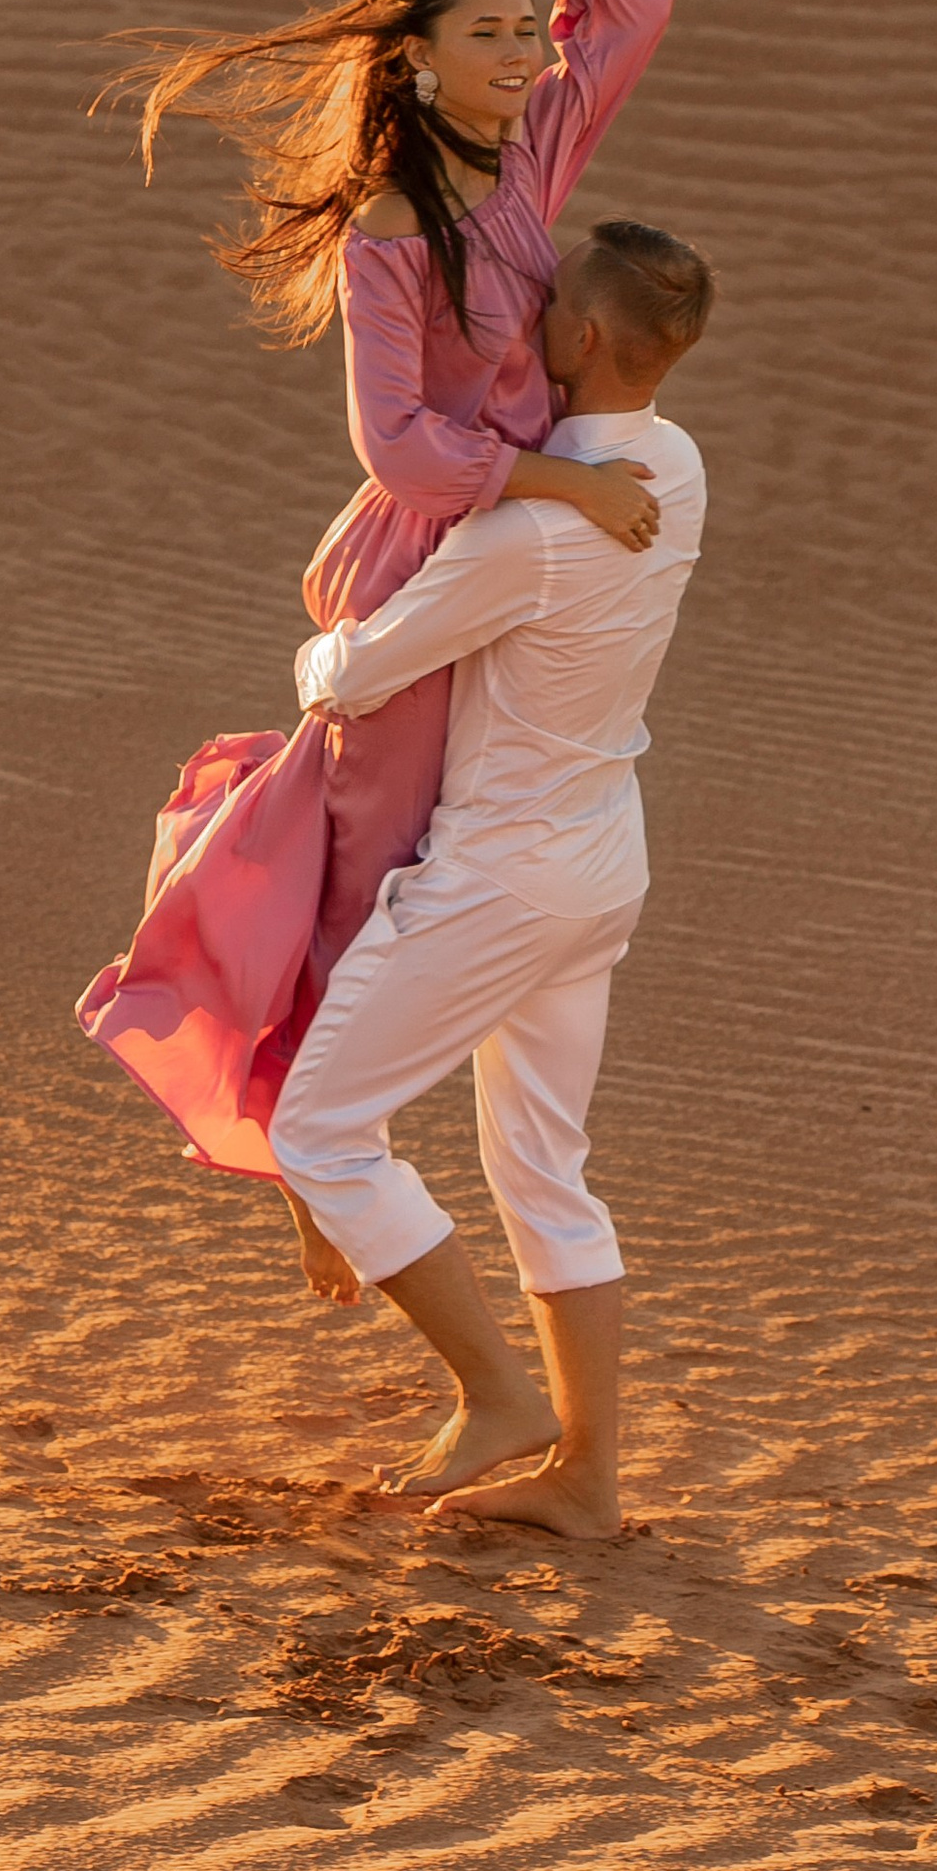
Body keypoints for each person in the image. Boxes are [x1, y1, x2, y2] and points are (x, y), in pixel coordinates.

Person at [80, 0, 675, 1243]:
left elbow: (635, 4)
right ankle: (306, 1146)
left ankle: (349, 1146)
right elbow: (400, 447)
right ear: (414, 62)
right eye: (488, 32)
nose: (524, 50)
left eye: (528, 28)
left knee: (480, 845)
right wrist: (561, 485)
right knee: (365, 884)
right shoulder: (394, 226)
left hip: (527, 564)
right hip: (433, 564)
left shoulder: (531, 154)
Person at [268, 218, 716, 1539]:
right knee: (545, 1173)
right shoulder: (675, 468)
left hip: (504, 877)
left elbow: (355, 671)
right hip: (601, 859)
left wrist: (313, 657)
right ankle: (585, 1480)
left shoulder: (527, 540)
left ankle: (498, 1399)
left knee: (320, 1133)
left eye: (545, 305)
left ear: (578, 341)